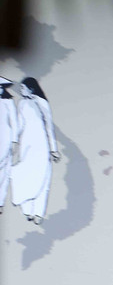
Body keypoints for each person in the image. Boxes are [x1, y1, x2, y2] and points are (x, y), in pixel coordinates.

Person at [11, 77, 60, 225]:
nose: (21, 90)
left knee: (42, 177)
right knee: (25, 174)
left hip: (41, 146)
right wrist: (13, 142)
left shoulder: (41, 103)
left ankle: (38, 212)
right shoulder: (21, 104)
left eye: (23, 88)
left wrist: (54, 149)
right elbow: (19, 125)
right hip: (26, 146)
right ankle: (27, 210)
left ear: (31, 88)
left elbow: (49, 127)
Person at [0, 77, 15, 214]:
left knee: (4, 173)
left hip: (5, 140)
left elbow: (14, 122)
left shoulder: (8, 102)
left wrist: (14, 140)